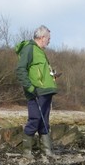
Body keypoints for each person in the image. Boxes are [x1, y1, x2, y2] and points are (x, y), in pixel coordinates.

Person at [15, 25, 60, 157]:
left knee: (44, 121)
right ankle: (26, 152)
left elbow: (39, 71)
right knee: (35, 119)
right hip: (36, 91)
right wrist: (30, 87)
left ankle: (47, 151)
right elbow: (20, 70)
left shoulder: (40, 51)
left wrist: (52, 75)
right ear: (41, 37)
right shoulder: (29, 49)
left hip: (46, 91)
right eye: (48, 38)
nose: (49, 41)